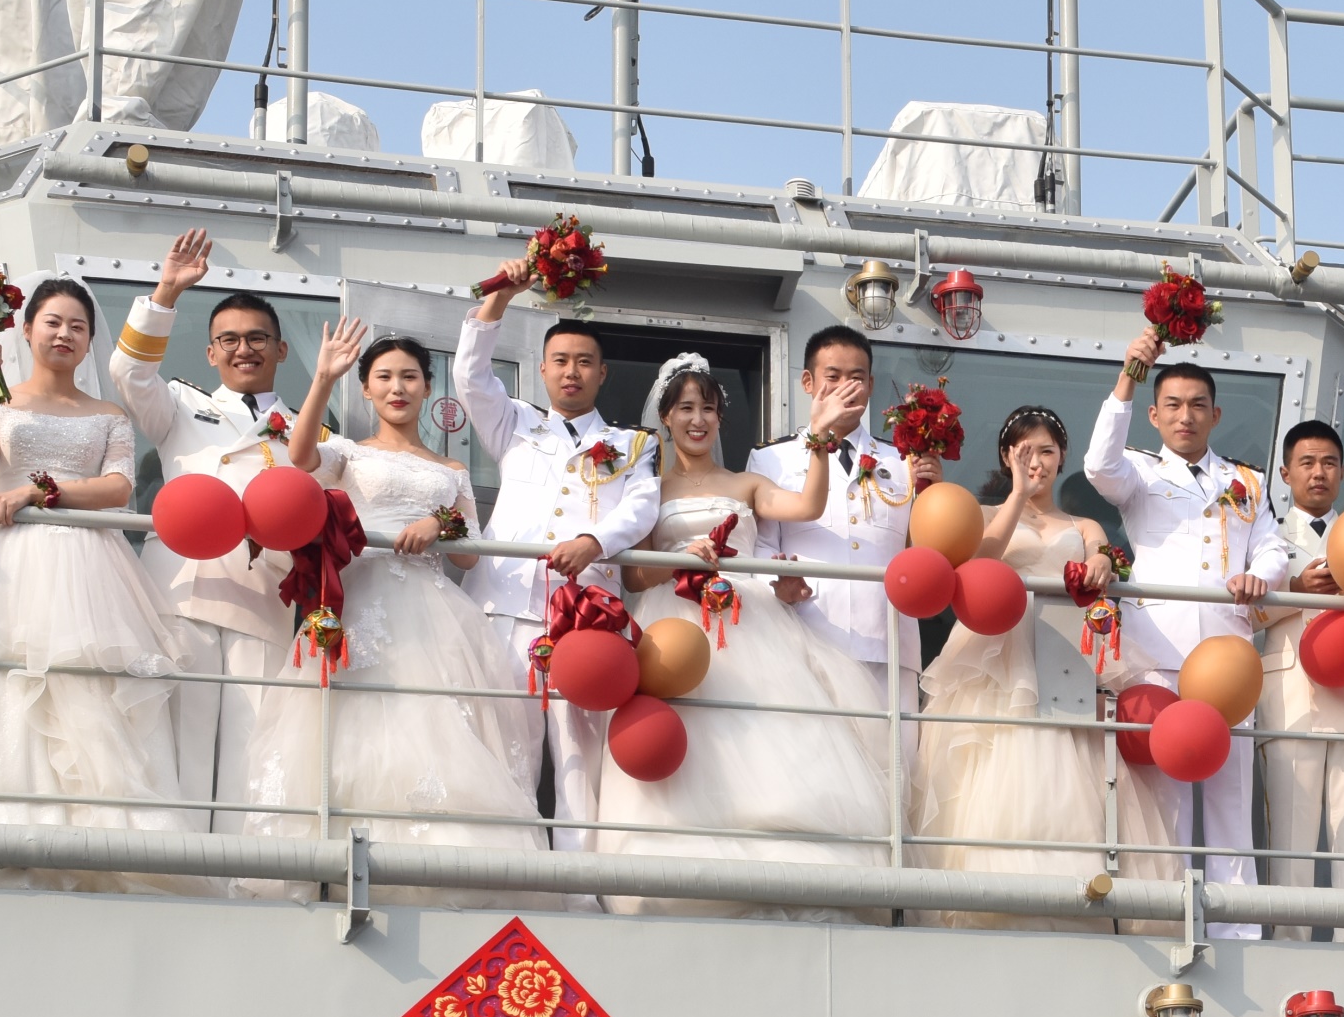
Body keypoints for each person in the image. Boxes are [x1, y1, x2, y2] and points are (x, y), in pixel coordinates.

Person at [0, 278, 198, 882]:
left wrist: (39, 492)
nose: (64, 334)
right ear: (26, 331)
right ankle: (5, 851)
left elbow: (118, 488)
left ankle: (108, 854)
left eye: (77, 326)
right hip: (11, 566)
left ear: (90, 339)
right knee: (7, 685)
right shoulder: (0, 399)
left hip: (90, 568)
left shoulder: (109, 414)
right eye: (52, 322)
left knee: (90, 690)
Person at [252, 319, 544, 881]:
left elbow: (468, 556)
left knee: (435, 729)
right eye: (383, 377)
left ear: (428, 387)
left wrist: (440, 523)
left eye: (409, 376)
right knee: (353, 730)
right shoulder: (348, 454)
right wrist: (322, 377)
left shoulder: (452, 470)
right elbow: (299, 457)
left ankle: (435, 867)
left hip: (435, 617)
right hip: (360, 600)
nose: (397, 387)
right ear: (365, 389)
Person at [596, 353, 886, 897]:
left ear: (720, 419)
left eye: (708, 408)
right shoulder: (647, 491)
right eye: (686, 408)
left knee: (763, 733)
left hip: (749, 623)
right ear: (666, 417)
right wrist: (678, 559)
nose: (697, 420)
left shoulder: (748, 483)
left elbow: (807, 506)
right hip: (674, 625)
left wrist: (819, 440)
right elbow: (633, 577)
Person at [914, 404, 1181, 915]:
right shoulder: (985, 514)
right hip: (998, 655)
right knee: (997, 762)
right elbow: (981, 560)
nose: (1036, 462)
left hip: (1063, 652)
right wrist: (1016, 493)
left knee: (1071, 761)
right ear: (1006, 456)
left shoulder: (1083, 522)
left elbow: (1101, 552)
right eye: (1024, 452)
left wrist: (1101, 559)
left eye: (1047, 451)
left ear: (1062, 457)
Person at [111, 232, 324, 817]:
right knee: (180, 746)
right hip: (182, 594)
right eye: (228, 340)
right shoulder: (179, 406)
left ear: (282, 350)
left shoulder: (310, 432)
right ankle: (178, 865)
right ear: (210, 354)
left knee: (252, 753)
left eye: (257, 339)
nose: (243, 350)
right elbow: (129, 371)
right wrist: (167, 291)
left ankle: (242, 868)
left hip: (264, 601)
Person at [453, 277, 661, 842]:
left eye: (585, 362)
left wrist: (594, 540)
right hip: (505, 608)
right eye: (561, 361)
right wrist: (500, 298)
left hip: (585, 619)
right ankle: (509, 870)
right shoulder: (514, 422)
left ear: (603, 373)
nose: (572, 372)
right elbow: (470, 375)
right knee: (504, 753)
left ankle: (578, 882)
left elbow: (642, 506)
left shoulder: (632, 444)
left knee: (577, 765)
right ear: (543, 370)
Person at [1085, 335, 1286, 915]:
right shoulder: (1138, 472)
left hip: (1227, 659)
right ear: (1153, 415)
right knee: (1165, 801)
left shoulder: (1245, 481)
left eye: (1198, 405)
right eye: (1172, 404)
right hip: (1159, 653)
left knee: (1230, 801)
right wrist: (1129, 374)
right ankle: (1167, 919)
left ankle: (1237, 928)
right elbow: (1098, 465)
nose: (1185, 415)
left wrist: (1259, 576)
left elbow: (1272, 548)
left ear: (1215, 415)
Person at [745, 326, 923, 710]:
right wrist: (774, 584)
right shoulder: (771, 459)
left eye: (856, 377)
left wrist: (935, 490)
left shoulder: (903, 460)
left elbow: (922, 547)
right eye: (833, 377)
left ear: (871, 385)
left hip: (887, 641)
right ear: (808, 382)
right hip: (807, 635)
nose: (846, 388)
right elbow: (760, 544)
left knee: (896, 747)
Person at [1255, 420, 1344, 917]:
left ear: (1343, 472)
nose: (1319, 473)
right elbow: (1245, 612)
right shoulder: (1263, 536)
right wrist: (1297, 590)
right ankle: (1289, 944)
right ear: (1286, 473)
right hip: (1292, 697)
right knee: (1290, 842)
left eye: (1330, 463)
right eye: (1308, 463)